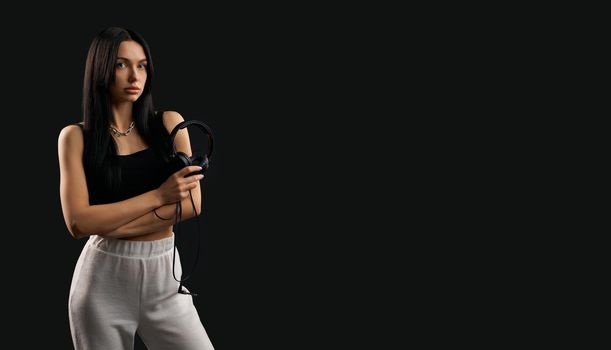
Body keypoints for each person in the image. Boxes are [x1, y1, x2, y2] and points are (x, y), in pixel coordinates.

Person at [57, 27, 215, 349]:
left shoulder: (170, 123)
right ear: (101, 69)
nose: (134, 75)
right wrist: (160, 196)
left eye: (142, 65)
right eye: (121, 64)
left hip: (165, 277)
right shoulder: (75, 137)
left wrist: (110, 221)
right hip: (103, 282)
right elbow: (78, 223)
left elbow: (193, 205)